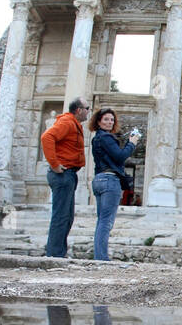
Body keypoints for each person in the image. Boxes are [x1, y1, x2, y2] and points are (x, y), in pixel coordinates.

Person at [89, 107, 141, 261]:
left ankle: (99, 256)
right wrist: (131, 143)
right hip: (110, 180)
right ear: (98, 121)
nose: (109, 122)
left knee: (101, 220)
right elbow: (120, 157)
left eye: (111, 119)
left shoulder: (96, 138)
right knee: (106, 221)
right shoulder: (106, 137)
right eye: (106, 119)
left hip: (98, 179)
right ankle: (102, 258)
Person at [40, 99, 89, 257]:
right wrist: (54, 164)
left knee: (66, 217)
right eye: (87, 108)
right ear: (79, 110)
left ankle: (58, 253)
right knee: (61, 216)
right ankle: (54, 255)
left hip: (69, 174)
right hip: (62, 174)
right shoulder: (67, 122)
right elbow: (46, 137)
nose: (89, 111)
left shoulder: (73, 123)